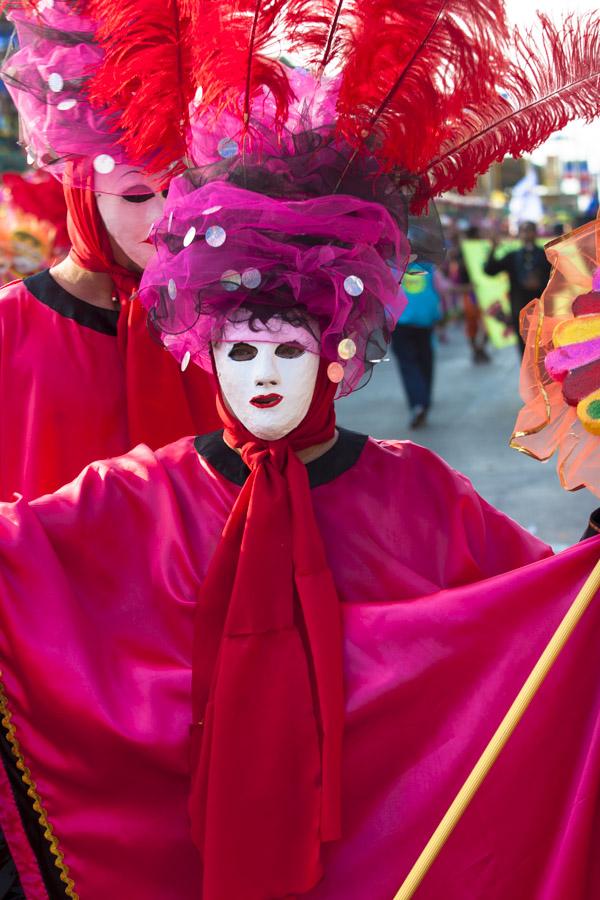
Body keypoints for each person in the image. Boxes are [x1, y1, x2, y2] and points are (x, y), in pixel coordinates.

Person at [0, 3, 598, 898]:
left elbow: (530, 609)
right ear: (204, 345)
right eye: (240, 350)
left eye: (291, 349)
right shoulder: (141, 492)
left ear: (339, 350)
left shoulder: (414, 493)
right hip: (154, 819)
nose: (264, 375)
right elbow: (30, 558)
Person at [0, 1, 220, 500]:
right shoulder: (10, 327)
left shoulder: (220, 321)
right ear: (83, 192)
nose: (168, 220)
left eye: (185, 189)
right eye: (137, 194)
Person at [484, 221, 551, 354]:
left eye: (529, 230)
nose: (526, 234)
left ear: (535, 232)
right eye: (523, 231)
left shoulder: (546, 255)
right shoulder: (512, 256)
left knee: (543, 348)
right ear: (519, 234)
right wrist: (493, 248)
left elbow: (556, 277)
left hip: (542, 309)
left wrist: (540, 281)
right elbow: (490, 270)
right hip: (520, 310)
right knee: (524, 348)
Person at [390, 261, 441, 428]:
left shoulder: (393, 267)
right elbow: (440, 289)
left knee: (408, 365)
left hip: (401, 322)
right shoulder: (428, 268)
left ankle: (417, 403)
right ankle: (424, 401)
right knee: (425, 360)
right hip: (424, 321)